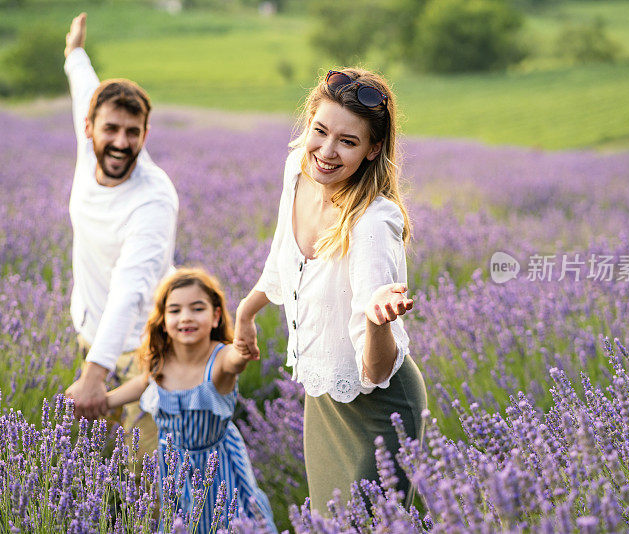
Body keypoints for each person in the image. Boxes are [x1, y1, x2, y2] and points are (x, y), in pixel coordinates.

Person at [233, 69, 427, 512]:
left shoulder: (373, 224)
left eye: (348, 141)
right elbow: (283, 252)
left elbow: (376, 372)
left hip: (380, 410)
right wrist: (247, 310)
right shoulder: (298, 170)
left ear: (373, 149)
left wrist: (378, 322)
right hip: (323, 399)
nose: (326, 151)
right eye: (319, 131)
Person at [62, 12, 179, 460]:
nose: (121, 142)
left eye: (133, 133)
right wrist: (74, 52)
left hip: (143, 345)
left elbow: (131, 289)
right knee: (98, 462)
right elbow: (83, 88)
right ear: (89, 128)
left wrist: (94, 374)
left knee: (145, 469)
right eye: (110, 128)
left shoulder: (153, 199)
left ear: (145, 135)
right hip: (93, 334)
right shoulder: (86, 135)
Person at [106, 268, 276, 532]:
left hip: (217, 470)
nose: (186, 317)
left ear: (216, 316)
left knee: (225, 523)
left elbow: (235, 361)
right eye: (175, 311)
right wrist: (105, 401)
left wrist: (242, 349)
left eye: (197, 309)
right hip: (172, 469)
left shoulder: (219, 361)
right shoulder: (161, 360)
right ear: (163, 320)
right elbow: (143, 384)